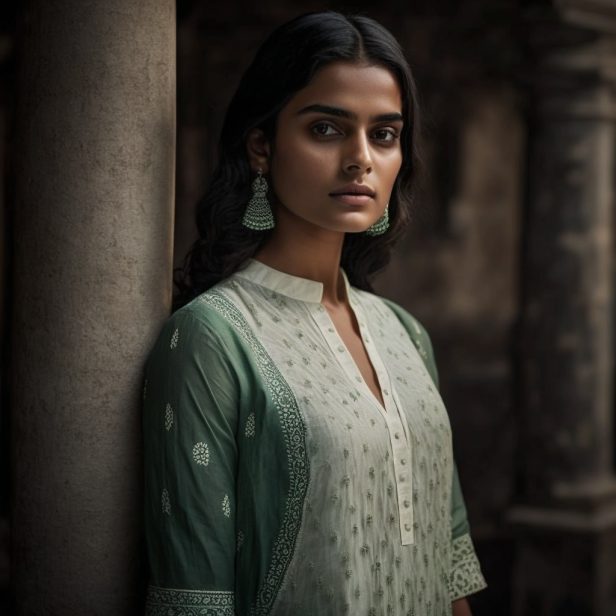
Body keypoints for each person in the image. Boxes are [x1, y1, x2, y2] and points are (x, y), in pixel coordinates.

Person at [142, 10, 488, 616]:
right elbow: (195, 595)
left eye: (384, 134)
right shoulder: (212, 338)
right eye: (327, 129)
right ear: (261, 146)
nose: (361, 159)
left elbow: (450, 567)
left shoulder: (404, 333)